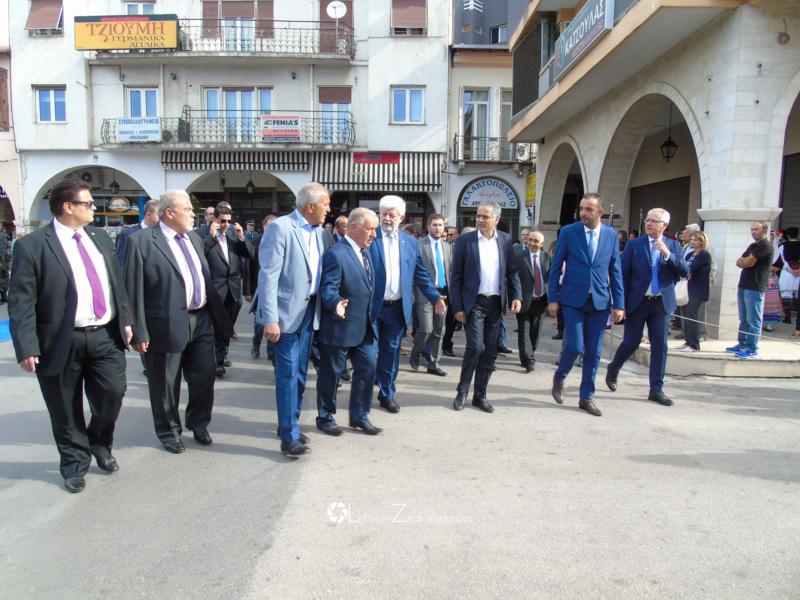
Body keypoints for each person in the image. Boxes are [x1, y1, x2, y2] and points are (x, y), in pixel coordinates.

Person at [8, 179, 133, 493]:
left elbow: (116, 284)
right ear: (67, 207)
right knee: (64, 407)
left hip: (105, 335)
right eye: (88, 204)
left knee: (113, 393)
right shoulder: (34, 245)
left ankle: (99, 443)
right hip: (59, 340)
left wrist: (127, 320)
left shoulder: (100, 237)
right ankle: (74, 463)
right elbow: (22, 301)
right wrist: (26, 346)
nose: (93, 209)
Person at [125, 190, 233, 453]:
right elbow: (131, 289)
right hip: (164, 323)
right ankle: (169, 430)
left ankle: (198, 422)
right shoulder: (141, 242)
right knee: (165, 382)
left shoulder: (194, 239)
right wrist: (137, 330)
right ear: (169, 212)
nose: (194, 214)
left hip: (201, 318)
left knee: (205, 375)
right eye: (188, 209)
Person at [257, 183, 332, 457]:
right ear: (310, 206)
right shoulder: (280, 228)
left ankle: (290, 424)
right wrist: (270, 319)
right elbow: (268, 276)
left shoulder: (322, 234)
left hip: (311, 312)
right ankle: (289, 437)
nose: (329, 210)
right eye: (326, 204)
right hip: (285, 315)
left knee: (300, 373)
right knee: (287, 374)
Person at [549, 193, 624, 417]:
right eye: (581, 208)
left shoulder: (610, 235)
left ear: (600, 212)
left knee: (594, 352)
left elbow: (615, 271)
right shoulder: (569, 232)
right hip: (572, 300)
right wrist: (553, 298)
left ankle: (586, 397)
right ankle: (560, 377)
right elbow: (555, 267)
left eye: (589, 209)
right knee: (574, 347)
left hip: (599, 302)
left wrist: (619, 304)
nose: (583, 213)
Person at [368, 195, 445, 413]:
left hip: (396, 308)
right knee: (369, 353)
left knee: (391, 353)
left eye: (391, 215)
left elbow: (420, 273)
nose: (386, 218)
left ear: (401, 217)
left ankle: (386, 394)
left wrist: (435, 297)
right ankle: (366, 389)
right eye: (383, 214)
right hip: (371, 308)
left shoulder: (410, 242)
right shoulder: (370, 237)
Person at [605, 209, 688, 406]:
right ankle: (614, 368)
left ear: (664, 226)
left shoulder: (673, 246)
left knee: (660, 347)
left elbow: (685, 270)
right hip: (638, 302)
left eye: (654, 221)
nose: (648, 223)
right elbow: (623, 275)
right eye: (647, 220)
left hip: (661, 303)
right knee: (631, 342)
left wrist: (668, 255)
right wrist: (620, 304)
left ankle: (656, 389)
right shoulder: (635, 245)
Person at [316, 208, 383, 436]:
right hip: (339, 326)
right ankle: (325, 417)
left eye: (375, 229)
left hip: (364, 327)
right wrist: (335, 302)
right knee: (332, 374)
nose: (374, 234)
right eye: (370, 229)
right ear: (353, 227)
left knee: (368, 367)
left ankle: (359, 416)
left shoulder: (366, 252)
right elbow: (328, 287)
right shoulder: (336, 254)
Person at [450, 201, 522, 413]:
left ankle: (480, 395)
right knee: (475, 347)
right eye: (478, 216)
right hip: (474, 304)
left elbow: (512, 272)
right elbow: (456, 277)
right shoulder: (466, 241)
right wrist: (458, 307)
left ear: (496, 220)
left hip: (495, 304)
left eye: (485, 216)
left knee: (490, 352)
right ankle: (462, 391)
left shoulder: (506, 240)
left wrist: (516, 296)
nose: (479, 220)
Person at [200, 205, 255, 375]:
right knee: (216, 326)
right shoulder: (203, 234)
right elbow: (200, 256)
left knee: (227, 326)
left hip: (233, 288)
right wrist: (211, 237)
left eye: (228, 221)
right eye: (222, 221)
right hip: (215, 289)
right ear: (214, 218)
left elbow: (250, 254)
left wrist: (241, 237)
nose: (225, 225)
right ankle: (217, 360)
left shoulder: (233, 234)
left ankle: (222, 354)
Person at [409, 213, 451, 377]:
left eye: (440, 225)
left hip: (443, 293)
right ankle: (415, 354)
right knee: (426, 328)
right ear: (428, 226)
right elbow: (412, 270)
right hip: (424, 293)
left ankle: (434, 363)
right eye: (434, 225)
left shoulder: (448, 247)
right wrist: (412, 292)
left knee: (439, 330)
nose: (438, 228)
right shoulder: (418, 245)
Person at [727, 221, 773, 358]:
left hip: (755, 286)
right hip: (744, 285)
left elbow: (748, 262)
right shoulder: (753, 246)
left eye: (756, 229)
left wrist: (745, 261)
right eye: (752, 229)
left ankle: (752, 348)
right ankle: (742, 344)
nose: (753, 232)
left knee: (753, 319)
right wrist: (744, 261)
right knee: (744, 319)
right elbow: (739, 261)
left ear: (764, 231)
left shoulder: (766, 246)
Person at [514, 230, 550, 372]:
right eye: (530, 240)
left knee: (536, 331)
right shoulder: (519, 257)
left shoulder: (547, 257)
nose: (532, 243)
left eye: (536, 241)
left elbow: (551, 277)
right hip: (523, 300)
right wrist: (516, 297)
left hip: (541, 300)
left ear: (542, 243)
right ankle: (528, 360)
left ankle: (530, 352)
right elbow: (514, 279)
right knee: (524, 331)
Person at [248, 214, 277, 359]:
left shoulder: (281, 241)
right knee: (259, 322)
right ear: (264, 226)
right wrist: (248, 290)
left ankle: (271, 351)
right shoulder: (255, 243)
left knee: (273, 319)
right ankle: (256, 344)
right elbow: (249, 269)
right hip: (259, 289)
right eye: (269, 226)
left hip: (275, 289)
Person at [679, 231, 712, 352]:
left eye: (695, 240)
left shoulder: (704, 255)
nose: (692, 242)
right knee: (686, 316)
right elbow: (682, 266)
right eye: (692, 239)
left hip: (698, 290)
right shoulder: (690, 254)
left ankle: (694, 344)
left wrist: (686, 270)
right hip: (687, 288)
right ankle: (688, 341)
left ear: (702, 241)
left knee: (691, 316)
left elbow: (689, 268)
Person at [115, 199, 159, 268]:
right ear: (148, 215)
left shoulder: (162, 234)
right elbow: (120, 262)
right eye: (159, 215)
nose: (162, 218)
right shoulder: (128, 234)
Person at [775, 226, 800, 323]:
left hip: (787, 272)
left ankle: (788, 317)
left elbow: (778, 261)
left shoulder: (782, 246)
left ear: (788, 235)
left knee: (786, 294)